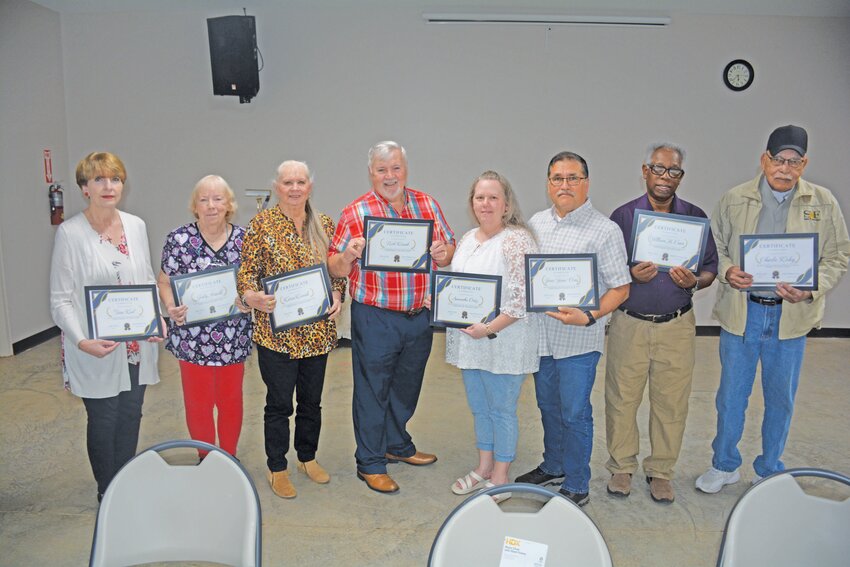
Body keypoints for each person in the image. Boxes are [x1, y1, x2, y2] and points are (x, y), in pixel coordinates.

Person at [696, 125, 850, 493]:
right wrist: (729, 270)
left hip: (790, 318)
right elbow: (716, 247)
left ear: (804, 163)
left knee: (780, 397)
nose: (785, 168)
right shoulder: (735, 199)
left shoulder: (823, 202)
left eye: (794, 162)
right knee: (731, 395)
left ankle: (769, 468)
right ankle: (724, 465)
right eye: (778, 160)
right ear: (764, 159)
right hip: (743, 312)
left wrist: (810, 288)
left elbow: (838, 255)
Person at [328, 141, 455, 494]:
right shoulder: (354, 212)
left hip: (419, 314)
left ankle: (396, 444)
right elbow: (333, 265)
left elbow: (448, 250)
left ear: (405, 170)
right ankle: (369, 462)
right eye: (382, 170)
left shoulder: (427, 204)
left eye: (395, 168)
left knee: (406, 386)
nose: (390, 176)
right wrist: (349, 255)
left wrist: (444, 252)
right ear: (371, 173)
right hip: (376, 316)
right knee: (372, 390)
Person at [515, 151, 631, 507]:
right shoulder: (536, 223)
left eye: (572, 178)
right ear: (549, 184)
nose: (564, 185)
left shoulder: (605, 230)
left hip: (579, 338)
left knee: (575, 411)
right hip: (543, 338)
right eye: (557, 178)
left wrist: (589, 315)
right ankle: (554, 465)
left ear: (586, 183)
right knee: (548, 406)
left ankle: (578, 482)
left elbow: (621, 287)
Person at [605, 143, 718, 503]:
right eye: (659, 169)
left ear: (680, 176)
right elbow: (607, 269)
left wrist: (695, 281)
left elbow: (711, 267)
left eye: (674, 171)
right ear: (645, 171)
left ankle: (661, 471)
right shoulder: (623, 217)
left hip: (676, 325)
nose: (665, 178)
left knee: (671, 402)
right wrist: (629, 273)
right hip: (629, 323)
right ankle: (622, 466)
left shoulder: (695, 217)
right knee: (622, 398)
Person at [49, 152, 163, 501]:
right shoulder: (70, 233)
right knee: (104, 419)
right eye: (98, 179)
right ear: (85, 188)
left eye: (114, 178)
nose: (108, 186)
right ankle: (107, 491)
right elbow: (60, 300)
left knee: (131, 413)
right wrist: (82, 341)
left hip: (136, 345)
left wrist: (155, 321)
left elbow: (145, 281)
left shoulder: (136, 226)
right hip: (95, 347)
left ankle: (123, 481)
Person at [237, 160, 345, 499]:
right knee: (279, 404)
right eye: (288, 182)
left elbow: (336, 270)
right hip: (277, 335)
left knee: (312, 403)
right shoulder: (261, 224)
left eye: (301, 181)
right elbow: (246, 272)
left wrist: (339, 293)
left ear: (310, 186)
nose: (295, 188)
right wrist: (251, 296)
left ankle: (307, 458)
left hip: (317, 333)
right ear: (277, 187)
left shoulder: (324, 223)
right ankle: (277, 467)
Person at [444, 171, 539, 503]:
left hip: (504, 342)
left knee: (501, 409)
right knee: (480, 408)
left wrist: (488, 329)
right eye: (479, 197)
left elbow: (521, 299)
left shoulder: (517, 240)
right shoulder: (469, 238)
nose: (485, 204)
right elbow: (458, 288)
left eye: (493, 197)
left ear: (506, 203)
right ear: (472, 203)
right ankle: (483, 466)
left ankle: (501, 474)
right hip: (471, 342)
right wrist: (441, 303)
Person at [157, 175, 253, 461]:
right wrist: (171, 306)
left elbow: (253, 283)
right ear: (194, 205)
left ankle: (229, 458)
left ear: (229, 205)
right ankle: (206, 457)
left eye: (218, 199)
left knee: (230, 402)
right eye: (204, 199)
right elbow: (164, 281)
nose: (211, 205)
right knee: (198, 403)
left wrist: (248, 300)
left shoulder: (244, 239)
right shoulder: (178, 239)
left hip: (232, 337)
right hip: (191, 337)